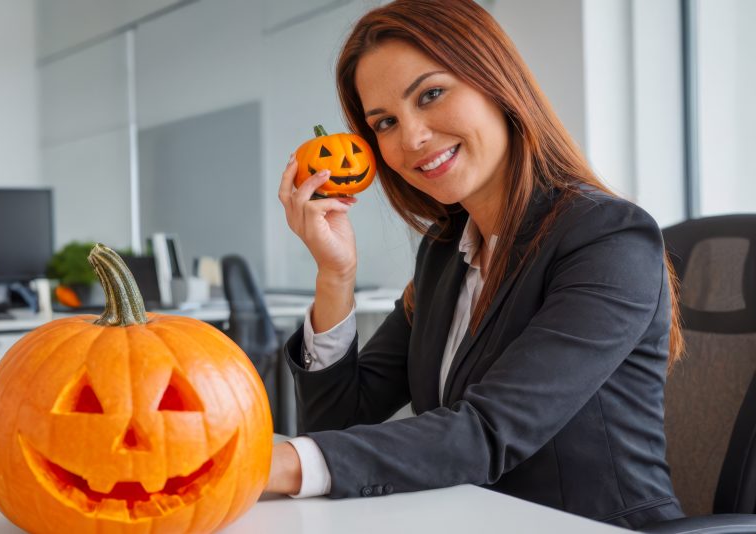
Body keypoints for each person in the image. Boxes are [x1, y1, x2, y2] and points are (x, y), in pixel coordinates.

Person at [266, 0, 685, 529]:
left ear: (496, 82)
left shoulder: (607, 239)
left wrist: (271, 464)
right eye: (386, 122)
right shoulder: (446, 252)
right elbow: (337, 423)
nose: (412, 137)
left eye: (432, 94)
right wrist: (335, 276)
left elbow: (489, 431)